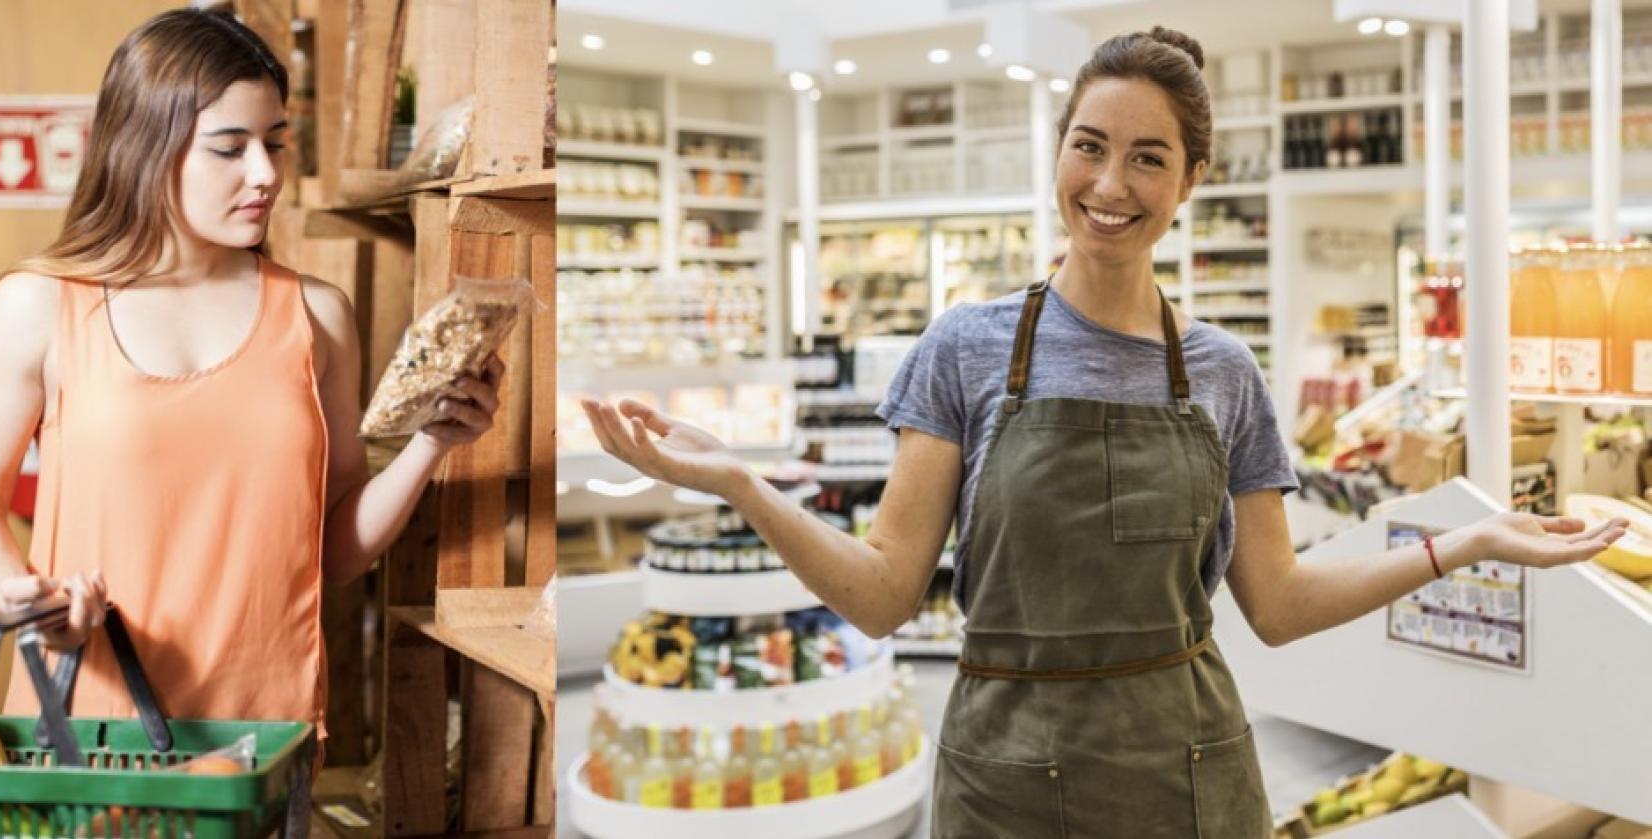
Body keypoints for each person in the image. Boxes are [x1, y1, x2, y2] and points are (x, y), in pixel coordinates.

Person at [581, 26, 1626, 838]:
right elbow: (885, 593)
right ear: (1060, 152)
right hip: (1004, 775)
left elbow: (1277, 602)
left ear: (1189, 181)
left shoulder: (1224, 371)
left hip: (1191, 763)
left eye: (1147, 157)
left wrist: (1463, 542)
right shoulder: (963, 348)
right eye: (1089, 147)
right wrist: (745, 487)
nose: (1110, 185)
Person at [0, 9, 502, 754]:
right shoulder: (37, 305)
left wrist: (432, 443)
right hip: (88, 730)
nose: (264, 174)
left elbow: (331, 549)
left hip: (265, 740)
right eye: (229, 149)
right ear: (145, 146)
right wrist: (18, 591)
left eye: (273, 143)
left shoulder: (319, 317)